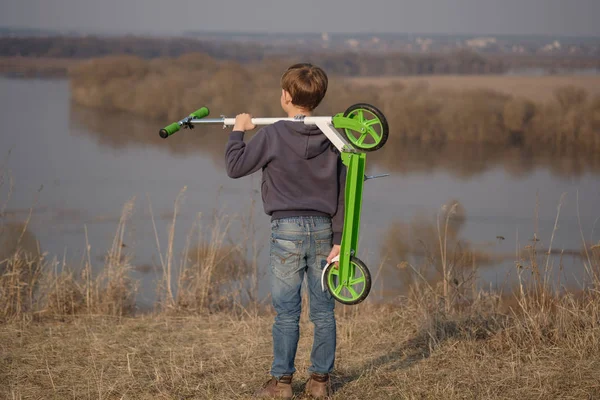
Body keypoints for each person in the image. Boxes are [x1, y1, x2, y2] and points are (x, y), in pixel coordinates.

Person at [225, 63, 345, 399]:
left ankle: (281, 384)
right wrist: (339, 238)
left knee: (287, 311)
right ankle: (320, 381)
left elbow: (235, 167)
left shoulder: (273, 133)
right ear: (317, 99)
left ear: (287, 97)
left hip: (287, 230)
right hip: (324, 229)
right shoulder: (333, 135)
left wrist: (238, 131)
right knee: (324, 311)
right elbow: (343, 190)